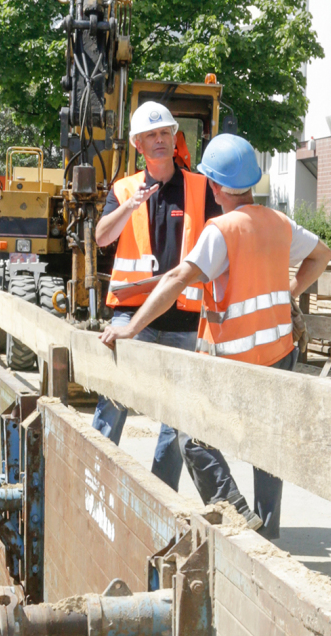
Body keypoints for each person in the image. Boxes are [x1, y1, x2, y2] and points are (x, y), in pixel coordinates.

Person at [99, 133, 331, 539]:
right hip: (279, 353)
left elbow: (177, 277)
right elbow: (322, 254)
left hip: (236, 359)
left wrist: (132, 326)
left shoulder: (221, 230)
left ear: (217, 185)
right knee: (267, 447)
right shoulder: (279, 223)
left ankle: (235, 519)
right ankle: (268, 528)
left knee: (192, 435)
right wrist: (291, 292)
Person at [90, 102, 265, 524]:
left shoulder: (201, 187)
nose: (161, 138)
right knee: (113, 400)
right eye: (152, 134)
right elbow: (100, 238)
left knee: (178, 418)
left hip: (186, 317)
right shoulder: (124, 189)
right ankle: (94, 479)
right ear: (138, 144)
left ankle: (158, 499)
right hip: (132, 318)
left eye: (166, 131)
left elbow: (237, 224)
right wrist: (130, 207)